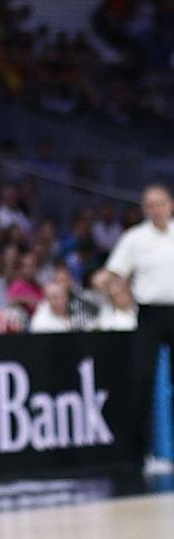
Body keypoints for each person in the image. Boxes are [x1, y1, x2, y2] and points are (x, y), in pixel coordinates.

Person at [95, 183, 174, 456]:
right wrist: (104, 281)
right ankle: (144, 452)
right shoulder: (135, 238)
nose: (155, 209)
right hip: (150, 314)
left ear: (170, 205)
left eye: (159, 203)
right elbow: (114, 272)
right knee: (142, 379)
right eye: (149, 205)